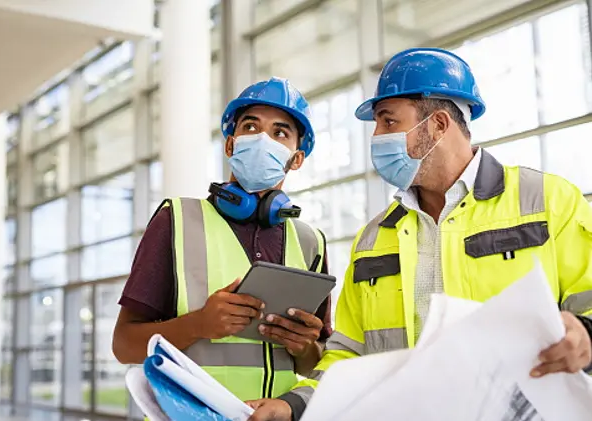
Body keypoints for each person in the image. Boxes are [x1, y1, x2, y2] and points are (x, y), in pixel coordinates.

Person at [246, 48, 592, 421]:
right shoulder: (374, 237)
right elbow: (348, 356)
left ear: (439, 125)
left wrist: (586, 335)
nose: (377, 136)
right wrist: (293, 405)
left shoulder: (546, 201)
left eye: (388, 122)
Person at [112, 77, 333, 402]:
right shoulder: (176, 221)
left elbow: (319, 360)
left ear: (296, 159)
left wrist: (304, 346)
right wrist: (198, 324)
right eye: (251, 127)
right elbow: (123, 345)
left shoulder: (310, 241)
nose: (262, 140)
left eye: (280, 133)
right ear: (231, 145)